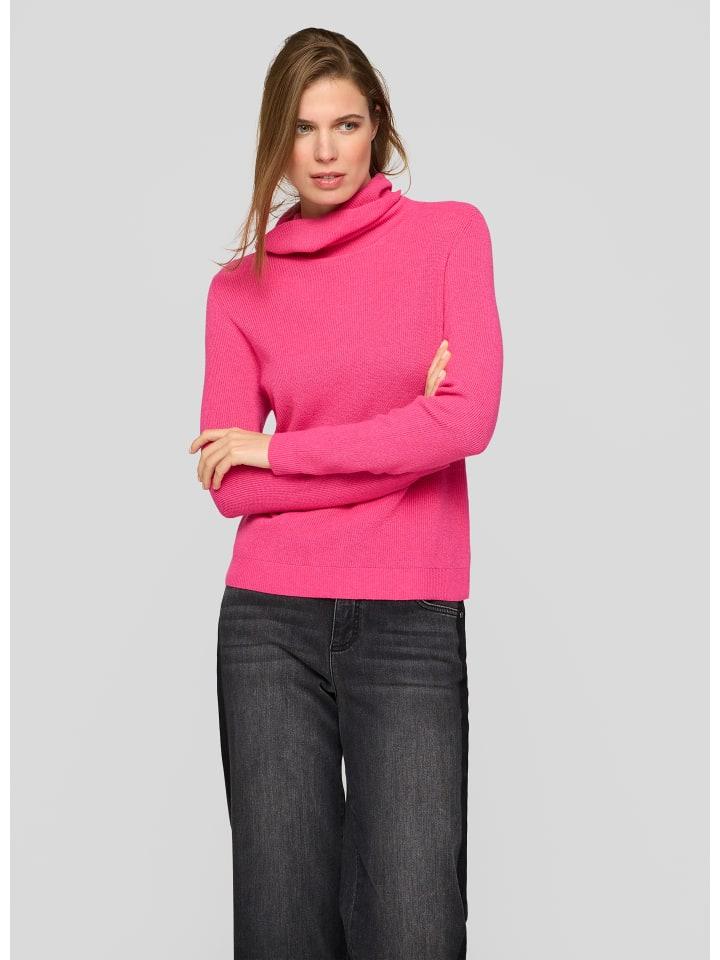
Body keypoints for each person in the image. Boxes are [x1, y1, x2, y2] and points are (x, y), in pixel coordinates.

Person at [188, 26, 503, 960]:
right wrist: (408, 431)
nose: (325, 150)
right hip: (268, 625)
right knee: (280, 927)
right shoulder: (238, 291)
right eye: (302, 128)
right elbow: (228, 487)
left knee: (414, 925)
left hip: (409, 617)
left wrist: (279, 453)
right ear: (275, 141)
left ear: (378, 129)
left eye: (347, 124)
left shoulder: (451, 236)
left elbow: (468, 425)